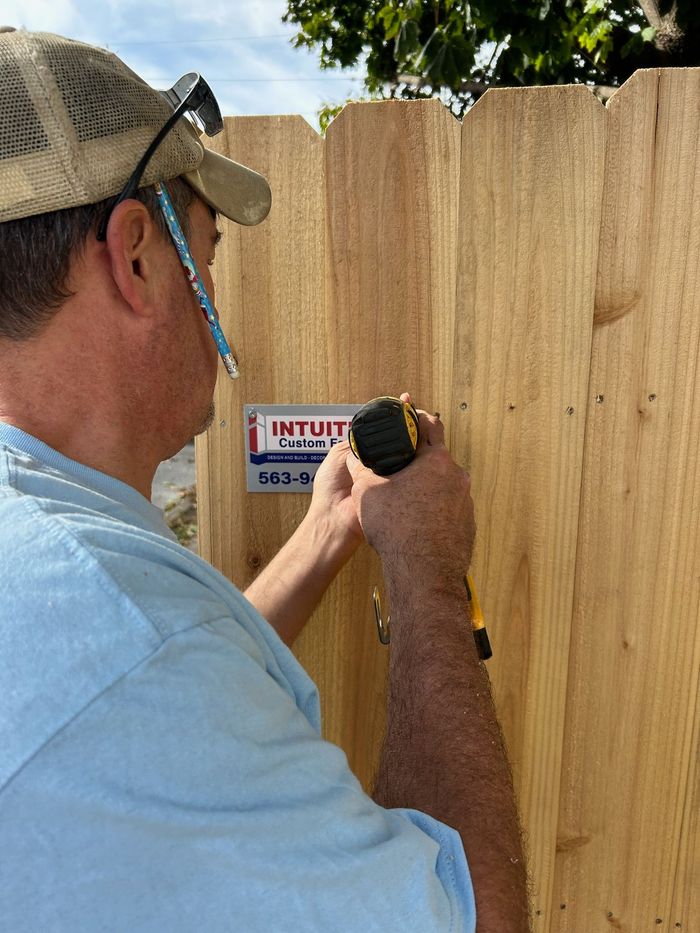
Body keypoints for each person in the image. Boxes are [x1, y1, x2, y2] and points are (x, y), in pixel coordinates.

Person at [0, 28, 530, 932]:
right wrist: (429, 576)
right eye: (204, 251)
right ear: (135, 257)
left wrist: (327, 534)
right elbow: (472, 918)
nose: (212, 285)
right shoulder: (123, 634)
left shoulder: (63, 558)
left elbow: (183, 677)